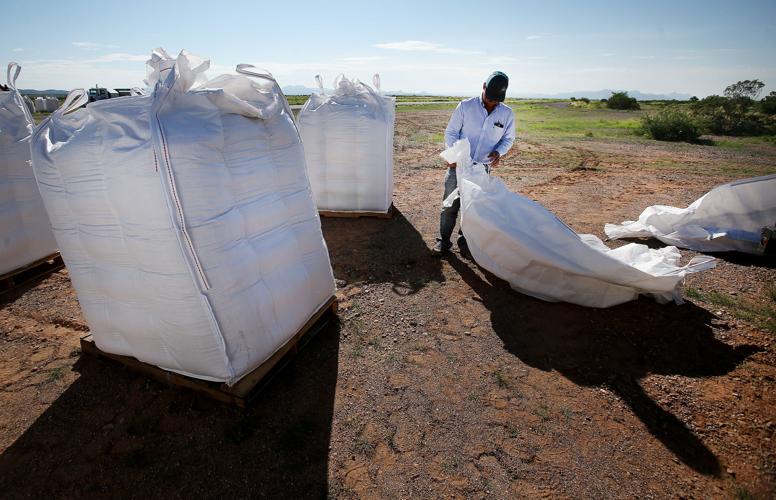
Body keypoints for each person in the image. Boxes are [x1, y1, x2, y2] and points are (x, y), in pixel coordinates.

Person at [431, 71, 516, 256]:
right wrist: (453, 155)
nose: (491, 103)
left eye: (496, 100)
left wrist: (498, 152)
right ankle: (443, 241)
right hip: (459, 166)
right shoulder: (465, 106)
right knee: (450, 205)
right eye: (489, 98)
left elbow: (508, 139)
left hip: (482, 169)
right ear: (483, 86)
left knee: (474, 207)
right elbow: (451, 132)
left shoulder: (507, 114)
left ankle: (466, 243)